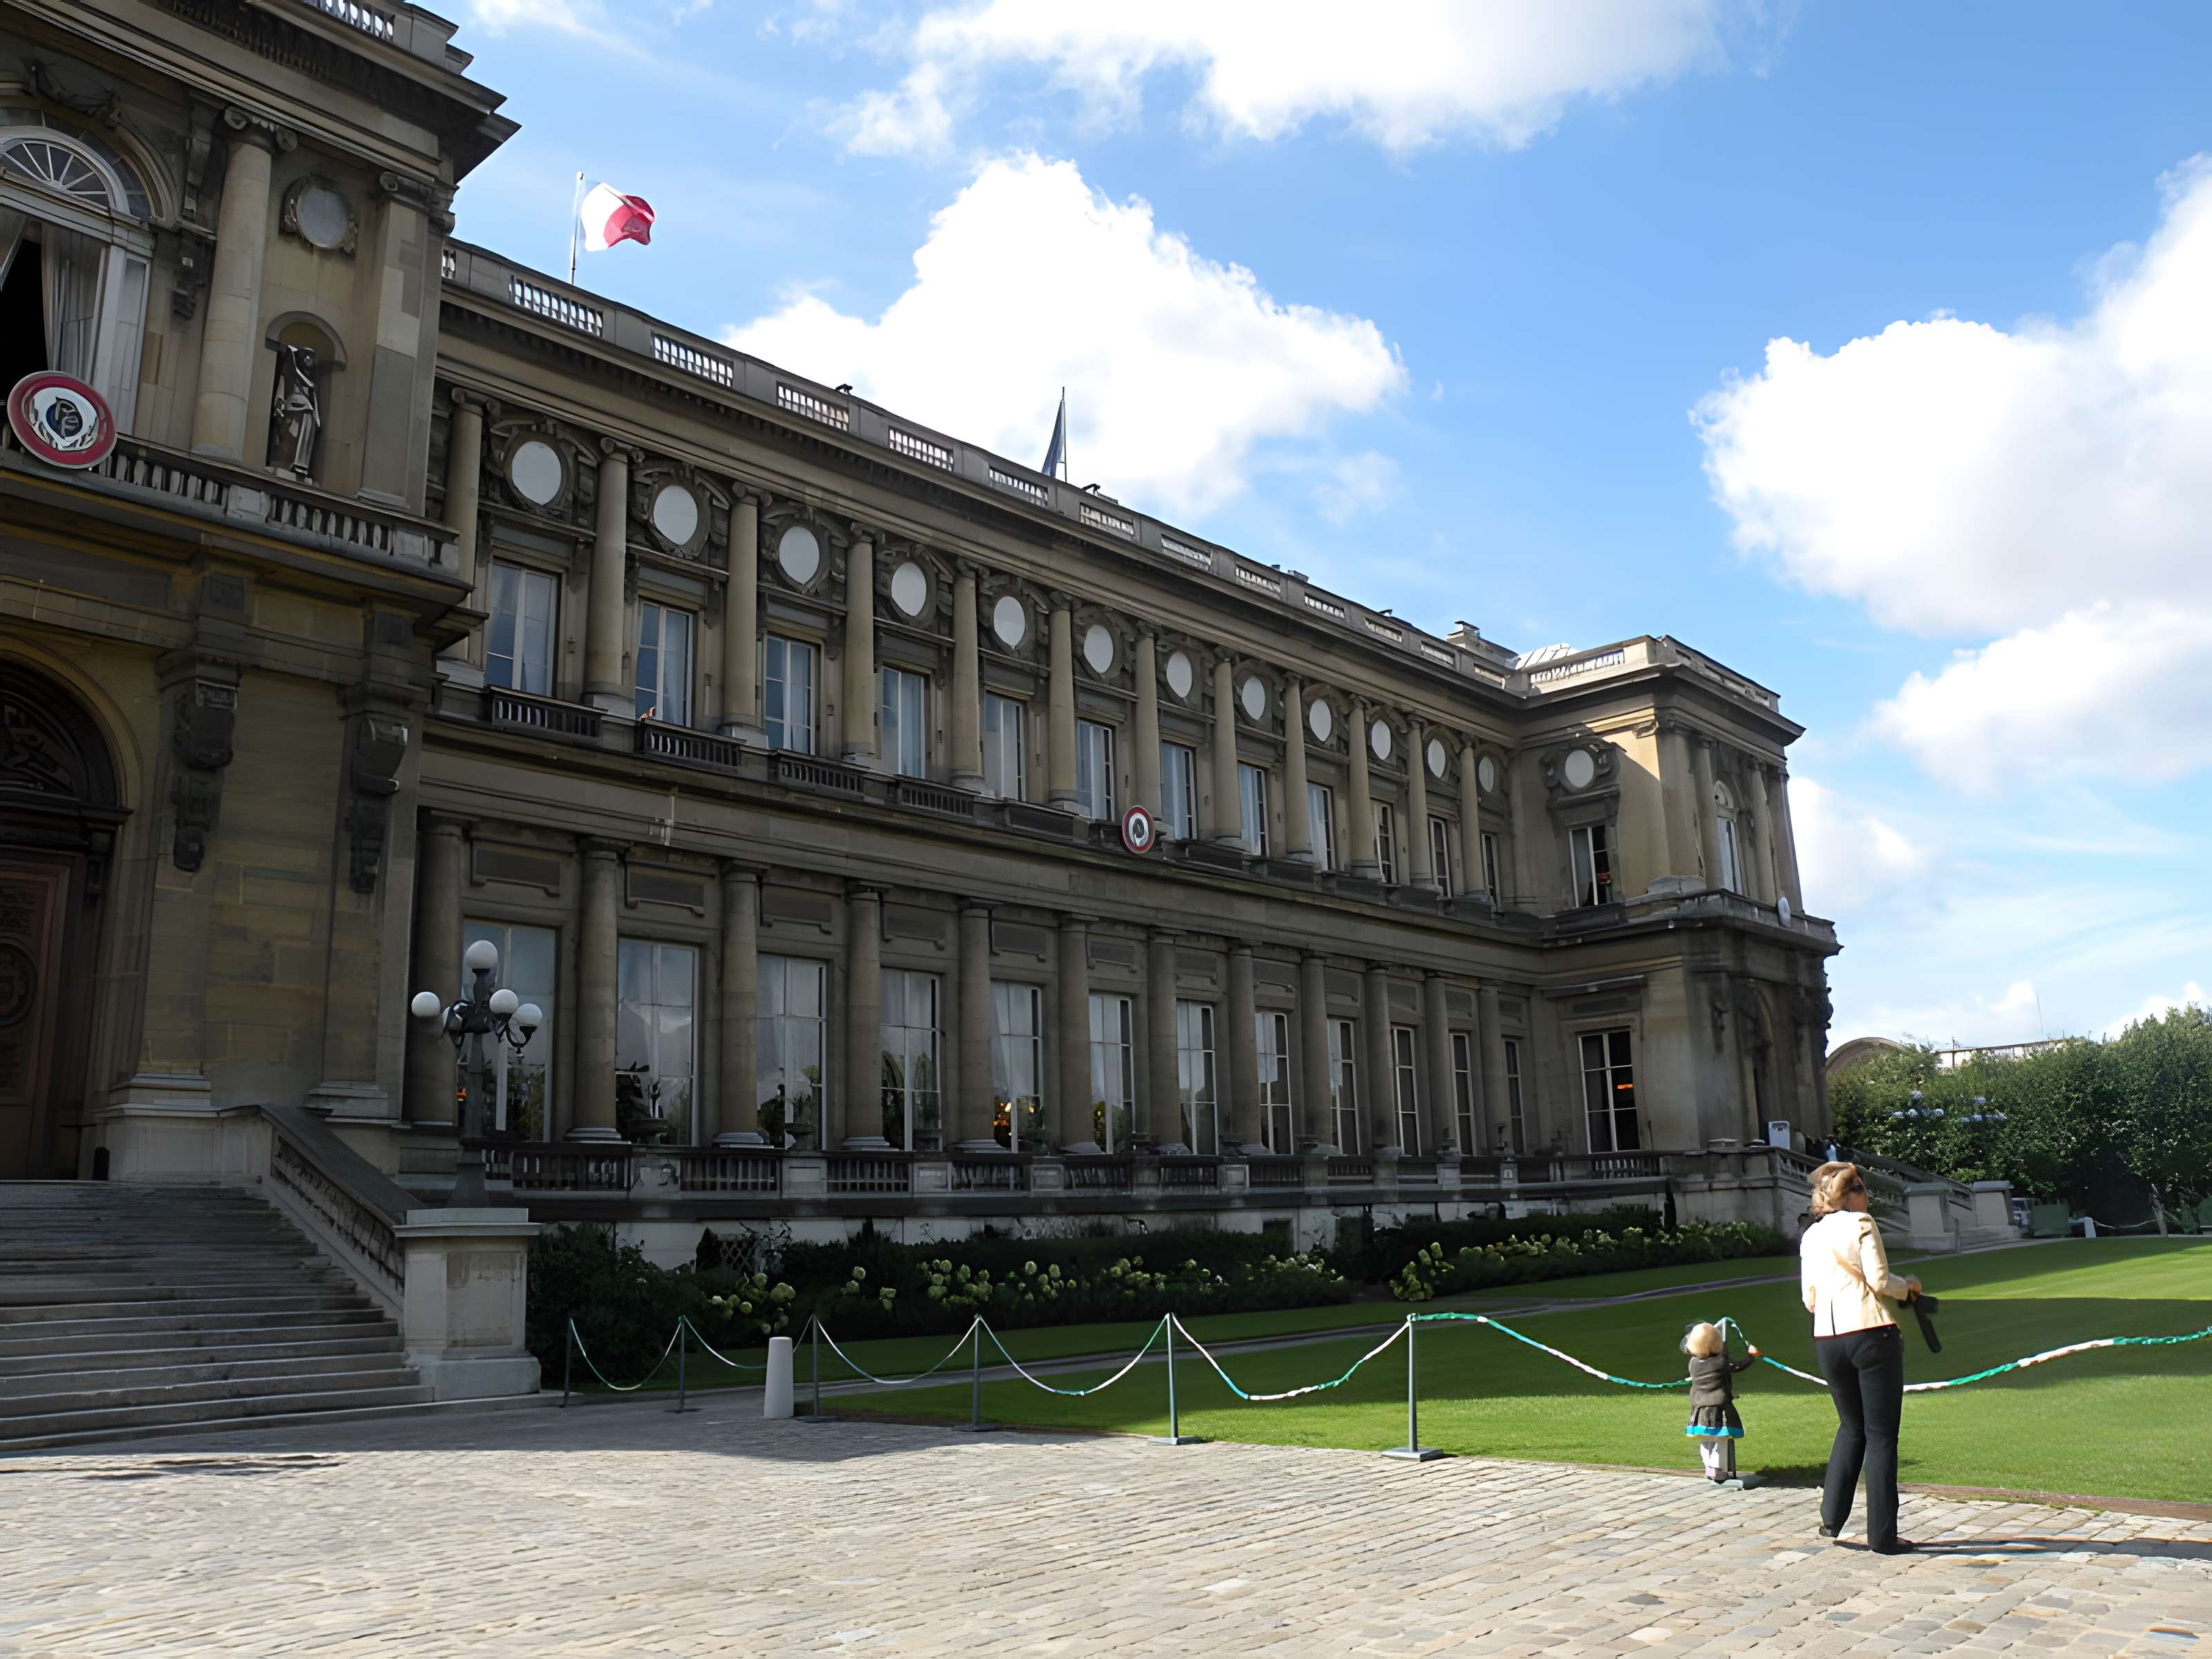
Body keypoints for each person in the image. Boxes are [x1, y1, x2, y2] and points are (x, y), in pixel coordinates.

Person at [1801, 1161, 1924, 1553]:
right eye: (1863, 1188)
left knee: (1850, 1427)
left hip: (1827, 1338)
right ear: (1852, 1193)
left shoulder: (1811, 1236)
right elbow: (1881, 1282)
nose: (1867, 1195)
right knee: (1882, 1435)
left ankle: (1831, 1519)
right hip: (1871, 1334)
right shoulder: (1862, 1223)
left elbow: (1809, 1299)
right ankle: (1883, 1535)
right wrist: (1910, 1288)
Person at [1681, 1322, 1759, 1482]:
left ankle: (1709, 1467)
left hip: (1699, 1410)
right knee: (1721, 1438)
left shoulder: (1693, 1363)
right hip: (1718, 1409)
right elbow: (1736, 1366)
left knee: (1706, 1438)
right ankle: (1718, 1469)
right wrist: (1751, 1356)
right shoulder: (1720, 1363)